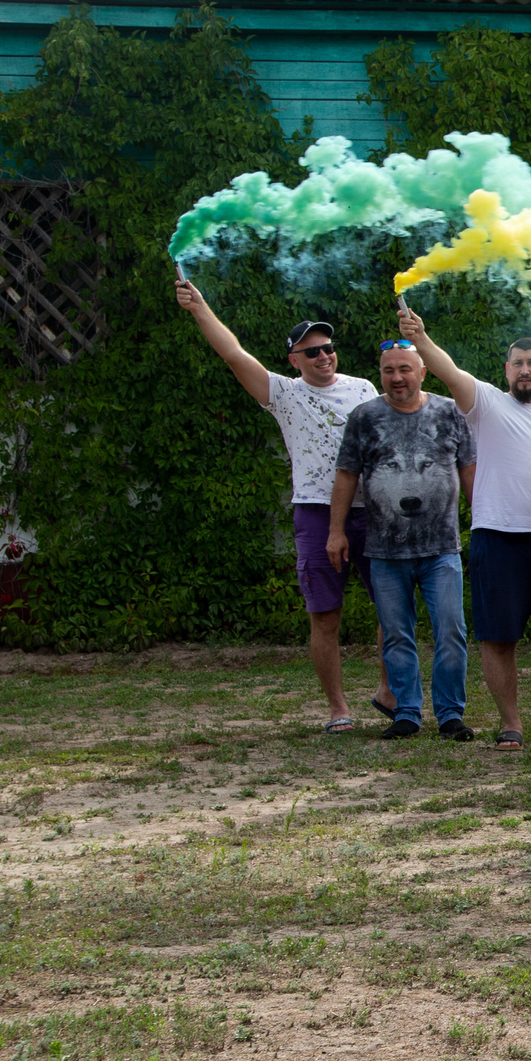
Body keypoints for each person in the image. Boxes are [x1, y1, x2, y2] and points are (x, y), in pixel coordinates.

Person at [175, 280, 388, 730]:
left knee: (391, 608)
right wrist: (199, 308)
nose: (324, 356)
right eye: (312, 352)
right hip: (315, 512)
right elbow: (233, 354)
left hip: (370, 512)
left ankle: (391, 692)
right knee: (325, 616)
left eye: (328, 347)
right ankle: (338, 710)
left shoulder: (365, 388)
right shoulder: (284, 394)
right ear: (294, 360)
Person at [399, 304, 531, 750]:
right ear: (506, 370)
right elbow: (448, 371)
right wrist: (422, 338)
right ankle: (511, 724)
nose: (524, 370)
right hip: (499, 538)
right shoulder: (486, 402)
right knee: (499, 636)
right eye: (517, 363)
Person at [329, 338, 474, 739]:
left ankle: (450, 715)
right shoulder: (364, 417)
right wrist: (335, 531)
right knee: (396, 635)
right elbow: (346, 476)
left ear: (422, 371)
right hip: (385, 550)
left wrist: (483, 523)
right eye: (389, 370)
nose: (397, 377)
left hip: (441, 548)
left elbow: (470, 471)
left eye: (405, 368)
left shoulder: (449, 413)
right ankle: (407, 712)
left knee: (450, 631)